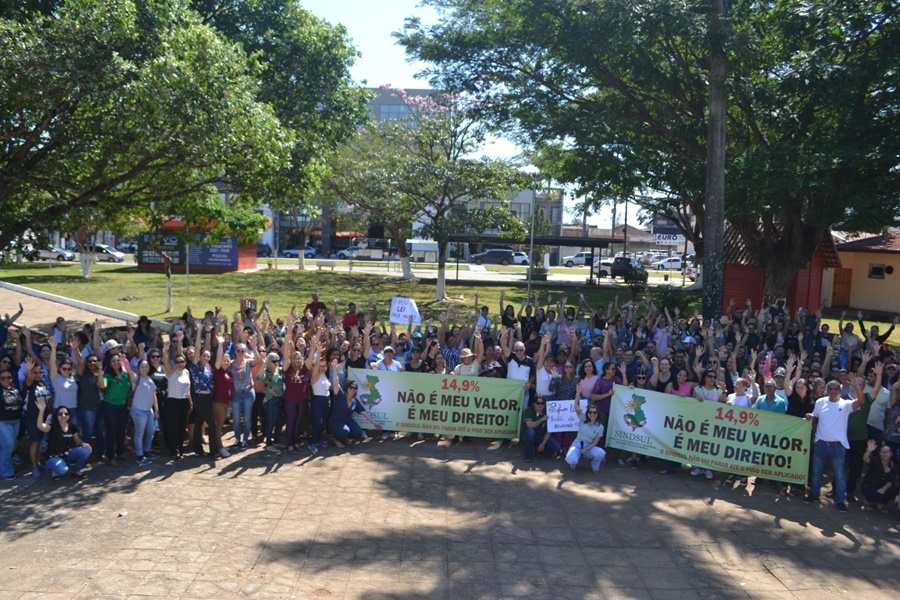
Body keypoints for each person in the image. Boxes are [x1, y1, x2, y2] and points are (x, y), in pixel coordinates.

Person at [804, 376, 866, 513]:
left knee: (839, 475)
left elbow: (861, 401)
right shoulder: (820, 402)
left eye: (835, 389)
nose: (832, 391)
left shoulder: (845, 404)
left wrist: (856, 386)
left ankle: (839, 501)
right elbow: (815, 417)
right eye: (830, 389)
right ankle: (814, 495)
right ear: (827, 390)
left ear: (840, 390)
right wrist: (810, 416)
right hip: (821, 443)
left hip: (838, 446)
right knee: (816, 472)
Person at [328, 361, 382, 448]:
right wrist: (335, 372)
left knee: (357, 432)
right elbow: (336, 384)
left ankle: (345, 438)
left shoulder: (355, 401)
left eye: (355, 388)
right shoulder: (340, 394)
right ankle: (336, 439)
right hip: (335, 421)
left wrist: (374, 423)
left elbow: (364, 413)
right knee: (344, 430)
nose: (352, 389)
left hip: (347, 421)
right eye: (351, 387)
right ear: (347, 387)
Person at [35, 399, 90, 480]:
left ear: (69, 415)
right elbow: (40, 426)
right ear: (56, 416)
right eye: (60, 414)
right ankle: (55, 469)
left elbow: (77, 439)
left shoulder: (71, 426)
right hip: (53, 456)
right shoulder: (52, 426)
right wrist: (41, 411)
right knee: (63, 470)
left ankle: (76, 470)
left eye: (66, 413)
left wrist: (83, 444)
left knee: (86, 450)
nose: (63, 415)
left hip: (67, 453)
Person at [161, 334, 192, 461]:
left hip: (184, 401)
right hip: (173, 402)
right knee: (173, 427)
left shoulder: (186, 372)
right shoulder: (171, 372)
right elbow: (165, 360)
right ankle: (174, 450)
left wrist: (190, 402)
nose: (180, 363)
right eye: (178, 361)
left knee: (181, 426)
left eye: (182, 361)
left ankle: (180, 447)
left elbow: (188, 389)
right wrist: (165, 349)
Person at [566, 382, 606, 473]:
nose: (592, 414)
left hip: (589, 447)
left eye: (594, 412)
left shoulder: (600, 427)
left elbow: (595, 442)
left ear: (597, 414)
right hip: (577, 444)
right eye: (590, 412)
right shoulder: (583, 418)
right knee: (570, 459)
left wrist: (586, 449)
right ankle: (574, 462)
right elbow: (576, 407)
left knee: (601, 453)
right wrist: (577, 393)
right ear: (587, 413)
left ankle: (594, 465)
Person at [130, 360, 160, 465]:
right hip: (139, 411)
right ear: (138, 368)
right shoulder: (136, 378)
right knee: (139, 434)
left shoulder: (150, 378)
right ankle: (140, 455)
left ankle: (147, 451)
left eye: (146, 366)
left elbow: (154, 395)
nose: (144, 368)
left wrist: (156, 409)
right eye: (142, 367)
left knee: (151, 432)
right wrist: (122, 361)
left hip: (149, 411)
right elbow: (129, 371)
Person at [256, 352, 286, 454]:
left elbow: (286, 367)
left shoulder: (280, 370)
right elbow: (258, 379)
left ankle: (276, 441)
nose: (276, 363)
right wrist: (264, 364)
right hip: (270, 401)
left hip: (280, 400)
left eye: (278, 360)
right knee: (271, 423)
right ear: (269, 362)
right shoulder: (267, 373)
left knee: (280, 422)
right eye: (274, 361)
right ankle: (268, 444)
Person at [520, 394, 561, 462]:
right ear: (534, 403)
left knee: (557, 447)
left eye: (542, 403)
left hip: (542, 436)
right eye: (538, 403)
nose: (540, 405)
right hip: (529, 436)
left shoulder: (548, 411)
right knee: (531, 431)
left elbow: (549, 430)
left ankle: (540, 448)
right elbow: (530, 425)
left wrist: (543, 443)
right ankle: (528, 455)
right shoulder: (529, 410)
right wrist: (542, 419)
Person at [861, 439, 899, 512]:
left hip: (882, 487)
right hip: (870, 485)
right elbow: (866, 459)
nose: (884, 454)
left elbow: (891, 480)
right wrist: (869, 451)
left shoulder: (894, 465)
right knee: (876, 495)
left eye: (887, 452)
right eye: (882, 452)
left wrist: (883, 489)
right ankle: (867, 500)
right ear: (879, 453)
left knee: (894, 490)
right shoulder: (876, 461)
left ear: (891, 454)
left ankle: (883, 503)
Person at [0, 368, 23, 480]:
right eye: (3, 377)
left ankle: (6, 467)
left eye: (8, 377)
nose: (6, 380)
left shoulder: (14, 387)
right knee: (7, 446)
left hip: (16, 420)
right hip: (3, 422)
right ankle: (6, 472)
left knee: (12, 446)